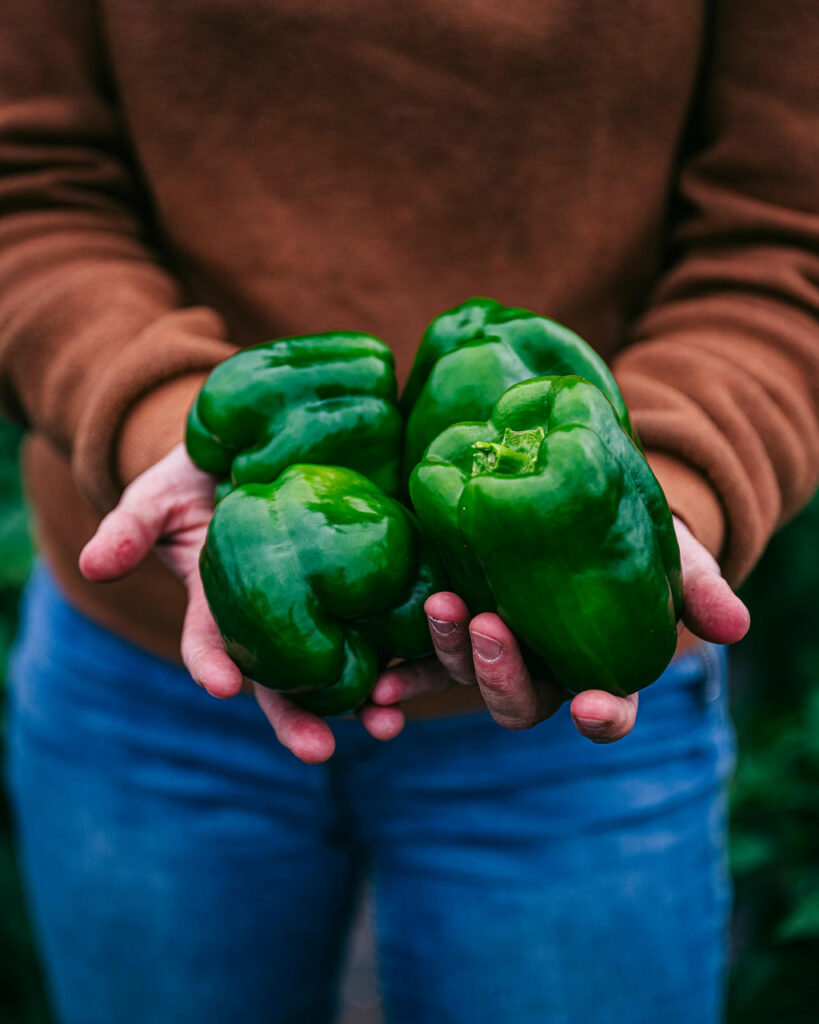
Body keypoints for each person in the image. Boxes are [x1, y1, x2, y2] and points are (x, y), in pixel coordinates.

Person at [1, 2, 816, 1022]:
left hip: (572, 705)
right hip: (145, 675)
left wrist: (660, 488)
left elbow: (789, 234)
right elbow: (26, 184)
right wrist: (162, 418)